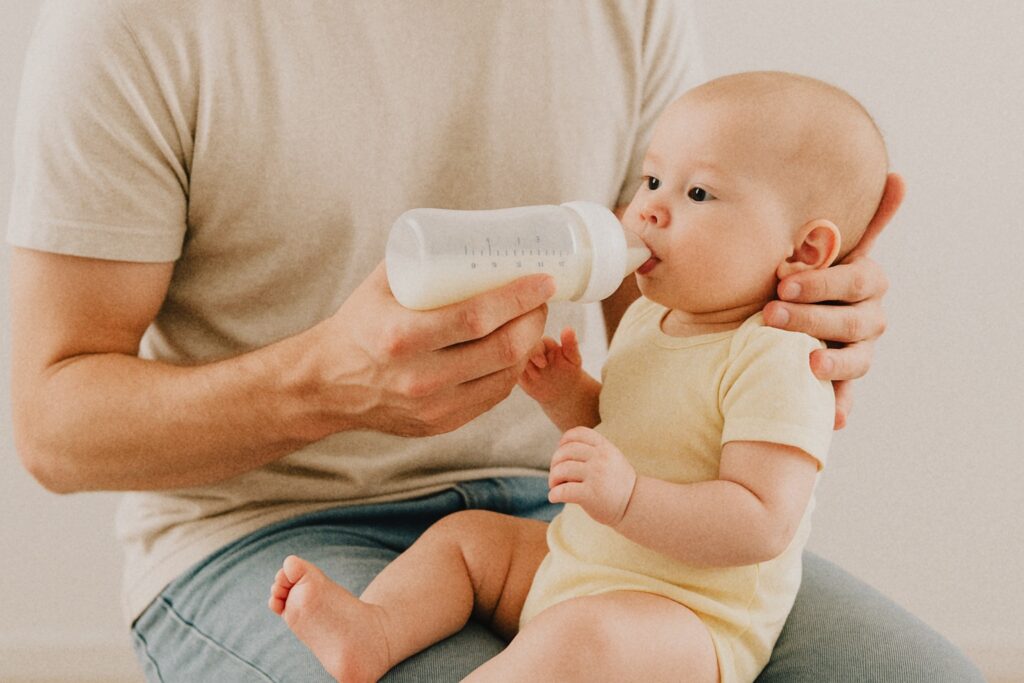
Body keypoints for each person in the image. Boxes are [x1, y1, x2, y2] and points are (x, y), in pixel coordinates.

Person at [5, 2, 980, 682]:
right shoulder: (135, 22)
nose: (645, 210)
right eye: (651, 185)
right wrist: (327, 385)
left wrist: (800, 311)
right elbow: (54, 427)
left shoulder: (619, 11)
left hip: (599, 521)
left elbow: (667, 322)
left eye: (675, 190)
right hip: (267, 525)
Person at [262, 71, 885, 683]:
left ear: (804, 252)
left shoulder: (778, 358)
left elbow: (760, 520)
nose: (649, 211)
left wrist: (628, 498)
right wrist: (568, 395)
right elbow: (627, 431)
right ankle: (376, 629)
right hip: (581, 563)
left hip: (685, 621)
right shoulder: (650, 319)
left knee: (578, 640)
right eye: (653, 180)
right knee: (468, 541)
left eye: (697, 195)